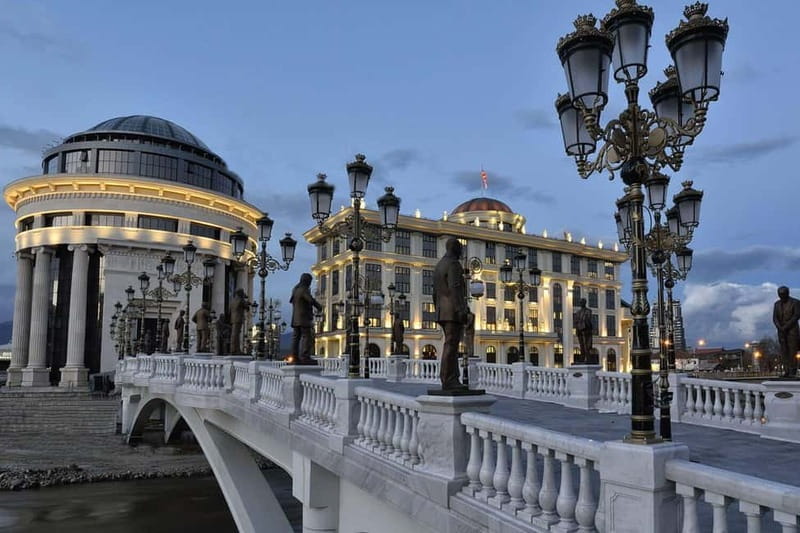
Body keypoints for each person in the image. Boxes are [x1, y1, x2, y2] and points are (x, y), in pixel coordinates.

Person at [433, 238, 468, 390]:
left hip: (442, 310)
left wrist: (438, 309)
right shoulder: (453, 264)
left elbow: (434, 293)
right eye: (461, 248)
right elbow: (455, 288)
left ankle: (452, 378)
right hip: (452, 311)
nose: (462, 252)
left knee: (450, 344)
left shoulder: (439, 265)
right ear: (455, 248)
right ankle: (448, 379)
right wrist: (461, 309)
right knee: (451, 345)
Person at [290, 273, 323, 364]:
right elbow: (310, 300)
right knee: (306, 336)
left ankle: (294, 356)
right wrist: (319, 306)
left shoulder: (295, 289)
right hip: (303, 317)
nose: (310, 283)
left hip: (295, 318)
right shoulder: (303, 289)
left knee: (296, 338)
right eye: (310, 281)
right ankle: (305, 356)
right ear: (306, 280)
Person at [773, 286, 800, 378]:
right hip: (781, 332)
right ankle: (786, 370)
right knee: (784, 351)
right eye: (780, 295)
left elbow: (796, 316)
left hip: (792, 331)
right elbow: (775, 318)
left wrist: (786, 327)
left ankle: (793, 371)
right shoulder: (776, 304)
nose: (781, 297)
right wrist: (779, 327)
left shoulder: (795, 302)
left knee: (792, 351)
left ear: (787, 294)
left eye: (783, 295)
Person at [229, 289, 249, 355]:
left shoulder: (232, 301)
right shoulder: (241, 300)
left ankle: (234, 349)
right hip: (238, 319)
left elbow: (229, 311)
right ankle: (235, 350)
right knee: (236, 335)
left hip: (233, 319)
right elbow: (247, 307)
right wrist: (245, 298)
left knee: (234, 334)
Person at [574, 298, 593, 364]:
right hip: (579, 330)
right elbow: (576, 321)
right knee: (581, 345)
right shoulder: (578, 312)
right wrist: (577, 329)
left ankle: (588, 358)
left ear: (585, 303)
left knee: (586, 345)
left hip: (586, 330)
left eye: (582, 302)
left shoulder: (588, 311)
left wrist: (582, 323)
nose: (581, 303)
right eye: (580, 302)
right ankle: (582, 358)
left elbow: (588, 319)